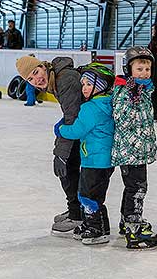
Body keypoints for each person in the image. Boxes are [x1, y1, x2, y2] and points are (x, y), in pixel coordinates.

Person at [16, 55, 83, 234]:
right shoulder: (56, 78)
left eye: (36, 72)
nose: (36, 79)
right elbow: (73, 111)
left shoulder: (64, 79)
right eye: (30, 78)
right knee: (69, 163)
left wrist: (61, 153)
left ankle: (78, 215)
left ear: (43, 66)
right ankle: (76, 209)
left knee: (68, 163)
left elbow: (72, 119)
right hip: (87, 123)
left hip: (96, 127)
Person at [54, 63, 115, 245]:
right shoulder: (106, 103)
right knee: (95, 195)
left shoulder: (90, 108)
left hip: (94, 160)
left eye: (89, 84)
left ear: (101, 86)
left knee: (87, 195)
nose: (84, 89)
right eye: (83, 84)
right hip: (103, 160)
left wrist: (61, 129)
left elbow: (77, 131)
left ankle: (96, 228)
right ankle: (97, 225)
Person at [111, 46, 157, 250]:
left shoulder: (142, 89)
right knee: (138, 189)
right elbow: (121, 118)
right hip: (130, 151)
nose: (144, 73)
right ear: (128, 69)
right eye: (139, 69)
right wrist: (139, 142)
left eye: (147, 69)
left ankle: (126, 221)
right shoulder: (126, 90)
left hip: (137, 150)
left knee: (133, 187)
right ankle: (133, 229)